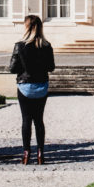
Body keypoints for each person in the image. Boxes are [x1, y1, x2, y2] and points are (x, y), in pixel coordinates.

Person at [9, 14, 56, 165]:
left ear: (26, 27)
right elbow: (51, 67)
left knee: (26, 120)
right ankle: (41, 153)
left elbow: (12, 68)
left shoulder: (19, 45)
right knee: (39, 121)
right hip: (41, 86)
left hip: (25, 86)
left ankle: (26, 152)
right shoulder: (47, 46)